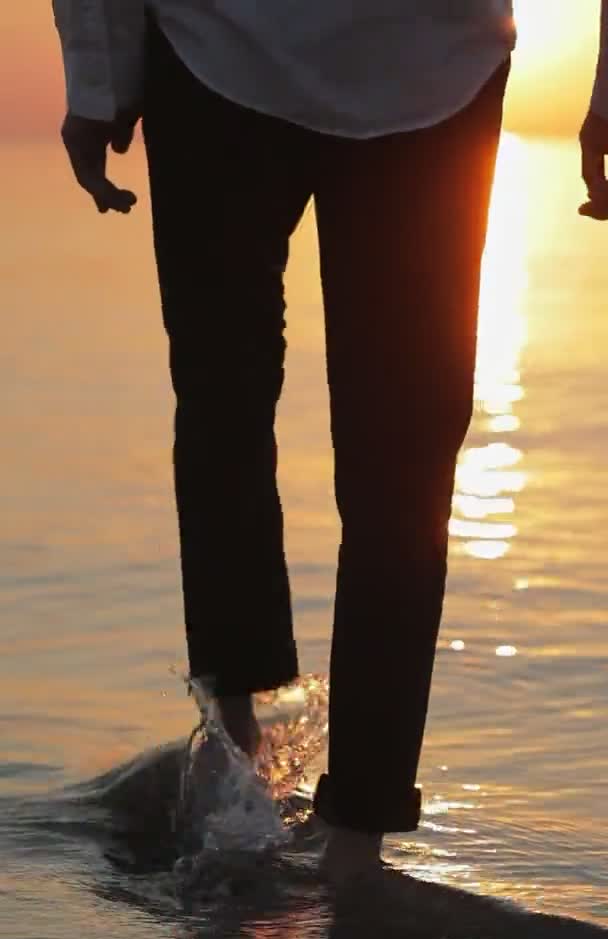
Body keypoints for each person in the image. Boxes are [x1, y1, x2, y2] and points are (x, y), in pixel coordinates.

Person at [51, 1, 608, 883]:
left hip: (416, 65)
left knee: (376, 457)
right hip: (228, 51)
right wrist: (99, 65)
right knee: (264, 421)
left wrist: (98, 71)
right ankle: (267, 790)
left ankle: (326, 830)